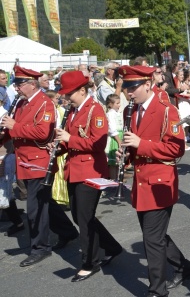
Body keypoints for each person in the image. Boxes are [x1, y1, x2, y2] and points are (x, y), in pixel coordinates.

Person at [118, 65, 190, 295]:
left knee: (151, 239)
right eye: (126, 88)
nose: (128, 93)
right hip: (141, 183)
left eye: (133, 87)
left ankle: (157, 290)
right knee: (155, 235)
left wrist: (140, 144)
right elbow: (134, 146)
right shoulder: (129, 111)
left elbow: (176, 148)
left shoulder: (166, 110)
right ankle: (184, 267)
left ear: (148, 85)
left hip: (160, 183)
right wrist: (125, 154)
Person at [0, 66, 79, 267]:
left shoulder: (44, 103)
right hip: (24, 160)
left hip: (39, 161)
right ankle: (68, 231)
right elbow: (12, 129)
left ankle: (40, 248)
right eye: (15, 83)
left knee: (35, 208)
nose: (15, 87)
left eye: (19, 83)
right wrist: (4, 135)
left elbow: (43, 133)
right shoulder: (21, 103)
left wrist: (13, 127)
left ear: (32, 84)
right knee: (45, 203)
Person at [54, 71, 123, 282]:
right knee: (79, 215)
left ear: (82, 91)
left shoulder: (95, 110)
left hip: (91, 171)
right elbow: (69, 141)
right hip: (74, 170)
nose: (66, 98)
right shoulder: (73, 111)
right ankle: (111, 247)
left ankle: (90, 262)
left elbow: (98, 144)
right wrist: (57, 146)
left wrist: (69, 138)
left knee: (83, 218)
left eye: (69, 93)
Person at [105, 94, 123, 180]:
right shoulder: (110, 114)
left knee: (118, 161)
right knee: (113, 162)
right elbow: (112, 129)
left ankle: (117, 179)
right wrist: (119, 141)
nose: (119, 105)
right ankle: (113, 179)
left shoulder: (117, 113)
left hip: (120, 135)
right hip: (114, 138)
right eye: (117, 103)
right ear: (110, 104)